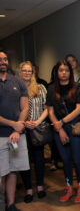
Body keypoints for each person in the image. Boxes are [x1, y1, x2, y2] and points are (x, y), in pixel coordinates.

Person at [46, 60, 80, 203]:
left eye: (67, 70)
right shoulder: (51, 89)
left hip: (75, 126)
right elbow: (50, 110)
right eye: (61, 70)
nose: (64, 73)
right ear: (57, 73)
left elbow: (79, 109)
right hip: (59, 128)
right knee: (65, 159)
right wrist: (59, 127)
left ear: (70, 72)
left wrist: (62, 123)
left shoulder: (78, 87)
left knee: (76, 158)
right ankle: (69, 187)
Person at [0, 50, 30, 211]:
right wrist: (14, 124)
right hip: (1, 136)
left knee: (12, 171)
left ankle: (11, 204)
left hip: (17, 136)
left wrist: (18, 128)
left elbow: (25, 107)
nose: (3, 61)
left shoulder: (17, 81)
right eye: (0, 59)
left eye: (5, 59)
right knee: (1, 173)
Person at [18, 61, 48, 203]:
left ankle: (40, 187)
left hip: (37, 129)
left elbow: (47, 107)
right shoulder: (15, 88)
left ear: (33, 73)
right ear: (19, 72)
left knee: (39, 160)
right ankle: (29, 189)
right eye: (24, 70)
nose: (27, 73)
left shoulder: (40, 87)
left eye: (29, 71)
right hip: (21, 129)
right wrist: (25, 121)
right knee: (25, 161)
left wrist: (37, 121)